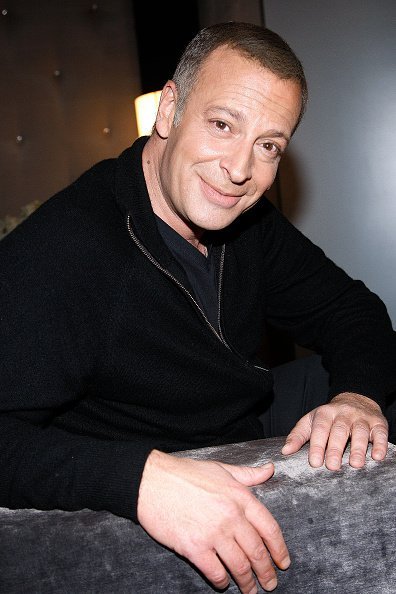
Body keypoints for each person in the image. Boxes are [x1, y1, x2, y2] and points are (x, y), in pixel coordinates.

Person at [1, 21, 395, 594]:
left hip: (240, 416)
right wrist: (142, 479)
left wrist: (357, 397)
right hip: (144, 463)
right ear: (168, 112)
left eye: (268, 146)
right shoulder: (64, 251)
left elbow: (352, 311)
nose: (239, 171)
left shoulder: (247, 223)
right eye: (221, 124)